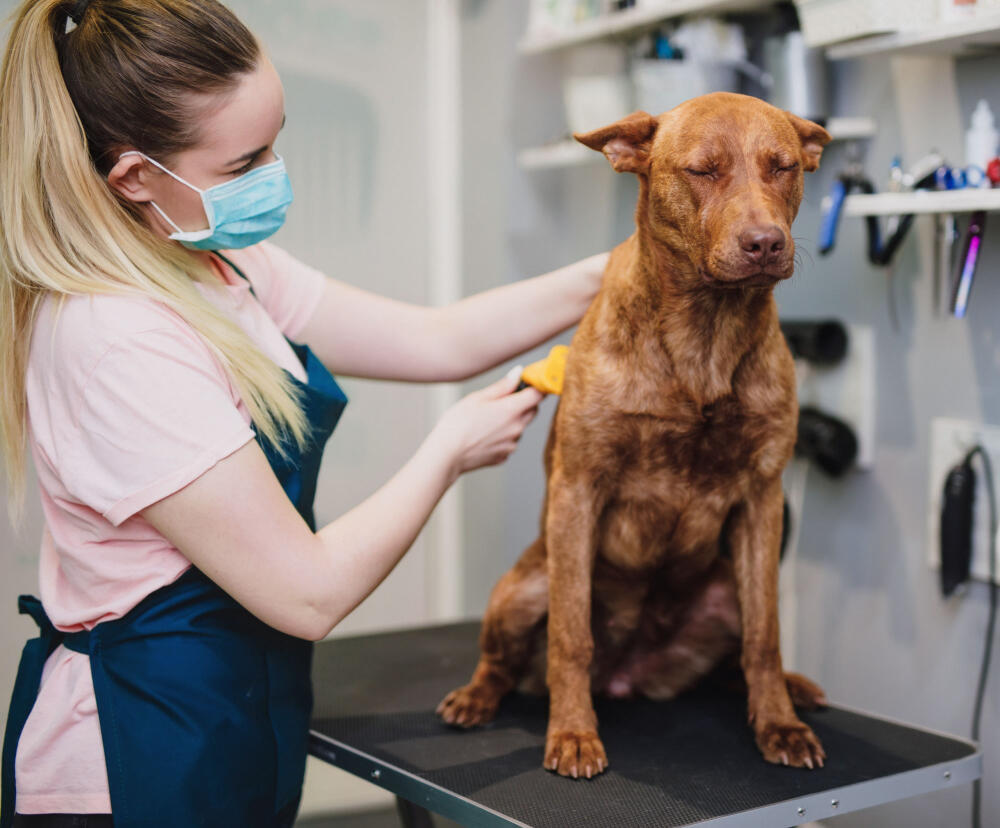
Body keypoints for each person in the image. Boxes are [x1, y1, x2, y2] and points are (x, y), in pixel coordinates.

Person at [0, 1, 608, 826]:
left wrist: (625, 266)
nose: (275, 173)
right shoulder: (115, 339)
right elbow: (308, 594)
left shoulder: (221, 262)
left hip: (235, 706)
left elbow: (438, 339)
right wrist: (448, 450)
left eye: (275, 141)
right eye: (245, 160)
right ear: (135, 177)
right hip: (134, 752)